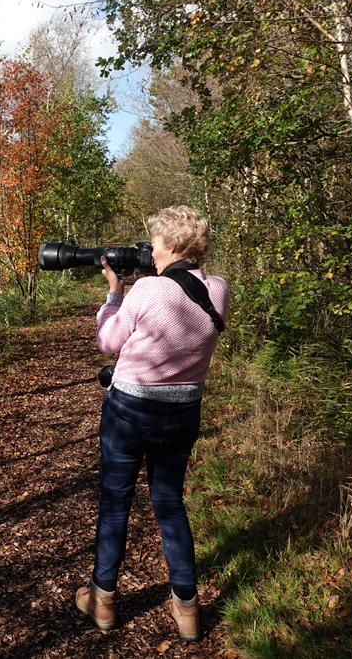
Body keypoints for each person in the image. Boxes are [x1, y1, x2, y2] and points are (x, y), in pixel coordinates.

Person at [74, 205, 230, 641]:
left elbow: (108, 343)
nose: (151, 250)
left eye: (156, 243)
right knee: (170, 503)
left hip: (130, 412)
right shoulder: (218, 289)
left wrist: (112, 295)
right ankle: (188, 611)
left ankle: (103, 600)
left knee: (115, 504)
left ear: (174, 245)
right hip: (182, 413)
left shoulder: (146, 290)